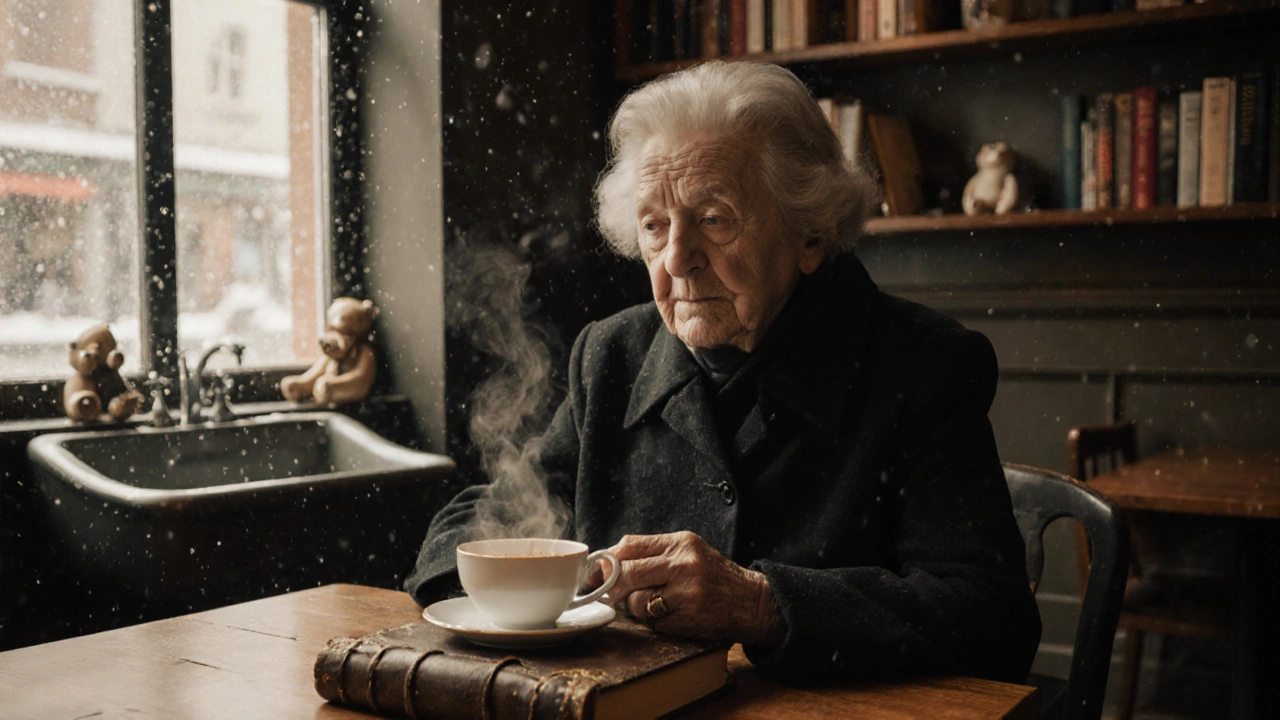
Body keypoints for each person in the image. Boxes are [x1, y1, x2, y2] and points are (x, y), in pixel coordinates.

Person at [406, 61, 1041, 684]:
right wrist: (517, 582)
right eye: (655, 226)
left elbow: (991, 618)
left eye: (715, 219)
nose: (678, 259)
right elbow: (490, 518)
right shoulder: (611, 355)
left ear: (810, 233)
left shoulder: (923, 364)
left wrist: (760, 602)